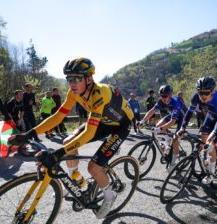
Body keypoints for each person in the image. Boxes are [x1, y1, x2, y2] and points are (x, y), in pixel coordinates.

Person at [9, 57, 133, 219]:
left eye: (77, 79)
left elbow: (88, 132)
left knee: (93, 168)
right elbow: (58, 117)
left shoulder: (100, 92)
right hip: (102, 122)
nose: (72, 83)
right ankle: (78, 181)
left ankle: (110, 196)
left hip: (121, 126)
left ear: (89, 79)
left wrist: (57, 154)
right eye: (69, 79)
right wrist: (29, 134)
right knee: (68, 142)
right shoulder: (73, 92)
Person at [177, 76, 217, 184]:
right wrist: (182, 127)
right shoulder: (196, 97)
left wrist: (214, 141)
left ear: (212, 91)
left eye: (206, 93)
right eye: (200, 92)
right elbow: (188, 113)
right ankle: (209, 158)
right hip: (211, 115)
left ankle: (211, 173)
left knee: (210, 143)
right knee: (202, 138)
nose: (203, 95)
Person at [138, 85, 187, 171]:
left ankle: (173, 164)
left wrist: (160, 130)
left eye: (165, 96)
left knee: (175, 139)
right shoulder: (160, 101)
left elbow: (172, 122)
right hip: (173, 115)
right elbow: (152, 111)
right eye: (161, 96)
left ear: (170, 95)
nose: (163, 98)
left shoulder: (176, 102)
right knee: (157, 126)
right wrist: (142, 121)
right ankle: (167, 143)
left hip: (183, 118)